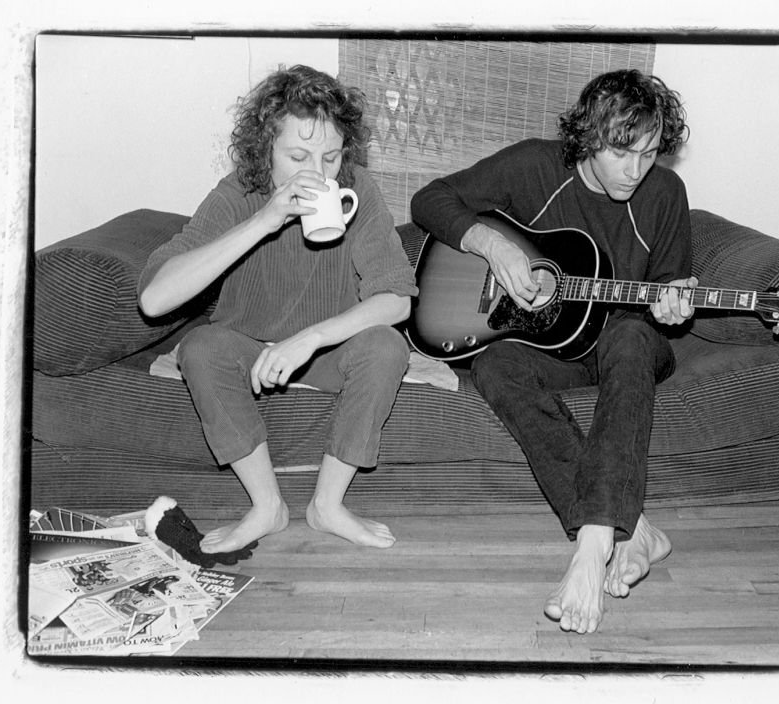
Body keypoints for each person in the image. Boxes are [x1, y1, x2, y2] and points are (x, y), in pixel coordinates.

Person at [410, 69, 695, 634]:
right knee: (493, 363)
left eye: (650, 153)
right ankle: (635, 531)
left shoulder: (666, 195)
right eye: (621, 152)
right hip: (554, 349)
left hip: (627, 344)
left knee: (633, 334)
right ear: (588, 135)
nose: (635, 171)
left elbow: (669, 288)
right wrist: (492, 247)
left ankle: (590, 549)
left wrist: (674, 305)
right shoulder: (535, 166)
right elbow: (429, 200)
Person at [138, 65, 417, 553]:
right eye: (297, 155)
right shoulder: (237, 194)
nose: (317, 172)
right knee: (200, 348)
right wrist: (264, 221)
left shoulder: (358, 192)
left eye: (330, 157)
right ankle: (267, 506)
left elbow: (396, 300)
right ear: (264, 148)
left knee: (386, 346)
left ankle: (326, 506)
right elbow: (154, 299)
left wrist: (310, 338)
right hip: (246, 344)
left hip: (329, 348)